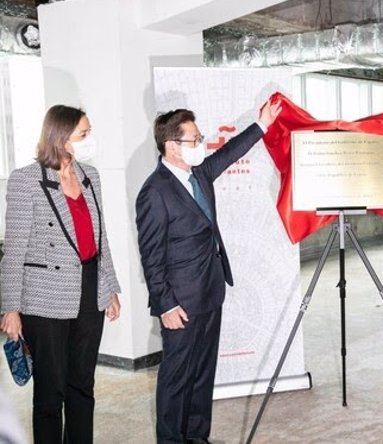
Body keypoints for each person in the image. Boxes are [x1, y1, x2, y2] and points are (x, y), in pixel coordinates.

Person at [135, 98, 281, 443]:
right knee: (176, 377)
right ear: (171, 146)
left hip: (210, 291)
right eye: (195, 140)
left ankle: (197, 437)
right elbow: (151, 256)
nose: (201, 145)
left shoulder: (198, 173)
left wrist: (261, 125)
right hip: (180, 303)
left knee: (202, 373)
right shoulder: (154, 192)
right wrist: (165, 304)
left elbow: (228, 154)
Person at [0, 105, 122, 443]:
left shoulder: (90, 176)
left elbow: (101, 237)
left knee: (82, 385)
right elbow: (15, 250)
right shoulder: (27, 180)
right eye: (84, 134)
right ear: (61, 137)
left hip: (89, 285)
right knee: (51, 392)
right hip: (45, 296)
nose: (89, 140)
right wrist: (10, 308)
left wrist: (109, 286)